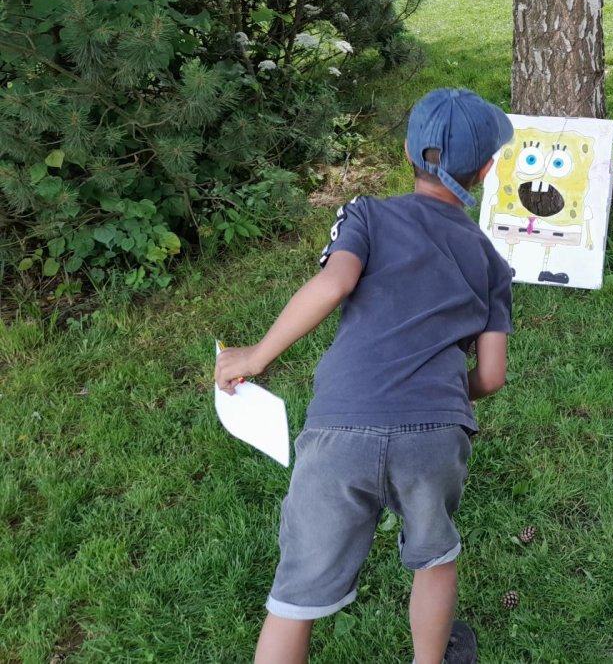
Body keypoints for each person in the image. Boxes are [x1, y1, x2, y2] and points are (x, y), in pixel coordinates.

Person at [214, 88, 515, 664]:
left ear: (406, 150)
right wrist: (450, 395)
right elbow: (492, 375)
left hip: (341, 427)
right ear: (485, 170)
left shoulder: (367, 214)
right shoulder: (491, 260)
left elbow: (334, 284)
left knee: (296, 593)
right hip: (435, 433)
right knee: (435, 558)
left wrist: (255, 357)